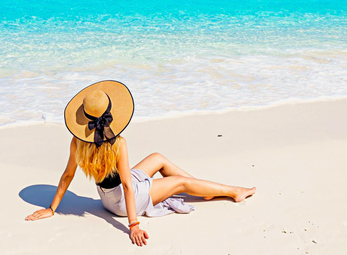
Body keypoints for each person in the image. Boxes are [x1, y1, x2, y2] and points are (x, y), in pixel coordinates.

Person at [25, 80, 256, 246]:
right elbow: (127, 185)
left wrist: (52, 208)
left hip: (107, 200)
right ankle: (233, 191)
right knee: (180, 183)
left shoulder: (78, 142)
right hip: (125, 203)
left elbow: (67, 176)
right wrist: (133, 225)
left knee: (157, 158)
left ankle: (203, 189)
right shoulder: (118, 143)